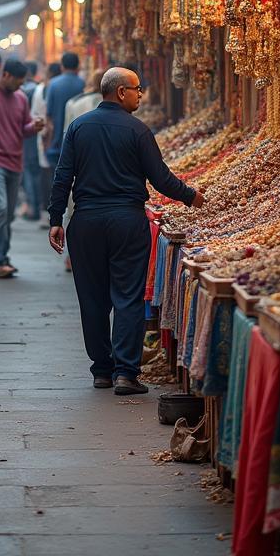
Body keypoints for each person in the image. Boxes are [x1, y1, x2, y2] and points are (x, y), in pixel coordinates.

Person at [47, 67, 204, 395]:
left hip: (86, 223)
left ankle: (101, 371)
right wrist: (191, 196)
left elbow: (63, 177)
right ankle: (125, 374)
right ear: (120, 92)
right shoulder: (137, 130)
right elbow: (160, 178)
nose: (140, 94)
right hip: (126, 221)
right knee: (128, 297)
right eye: (136, 89)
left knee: (92, 298)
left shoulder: (78, 128)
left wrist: (56, 220)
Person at [0, 58, 44, 278]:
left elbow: (23, 127)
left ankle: (2, 257)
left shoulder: (21, 98)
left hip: (15, 162)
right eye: (18, 82)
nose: (20, 87)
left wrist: (35, 126)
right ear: (6, 75)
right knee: (0, 209)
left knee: (8, 214)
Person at [59, 68, 106, 271]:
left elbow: (66, 137)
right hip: (104, 166)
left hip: (79, 165)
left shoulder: (74, 103)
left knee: (74, 211)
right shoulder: (115, 106)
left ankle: (73, 256)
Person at [43, 52, 85, 169]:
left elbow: (49, 115)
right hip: (77, 142)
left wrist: (48, 142)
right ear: (78, 66)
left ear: (62, 66)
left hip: (57, 143)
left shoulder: (53, 84)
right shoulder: (83, 84)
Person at [31, 62, 60, 220]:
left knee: (47, 174)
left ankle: (47, 212)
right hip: (53, 137)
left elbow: (36, 114)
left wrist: (43, 133)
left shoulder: (41, 89)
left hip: (46, 136)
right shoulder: (44, 89)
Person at [19, 62, 41, 221]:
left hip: (27, 135)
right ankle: (36, 206)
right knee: (36, 172)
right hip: (36, 133)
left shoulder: (22, 91)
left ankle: (32, 206)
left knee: (28, 171)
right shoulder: (38, 89)